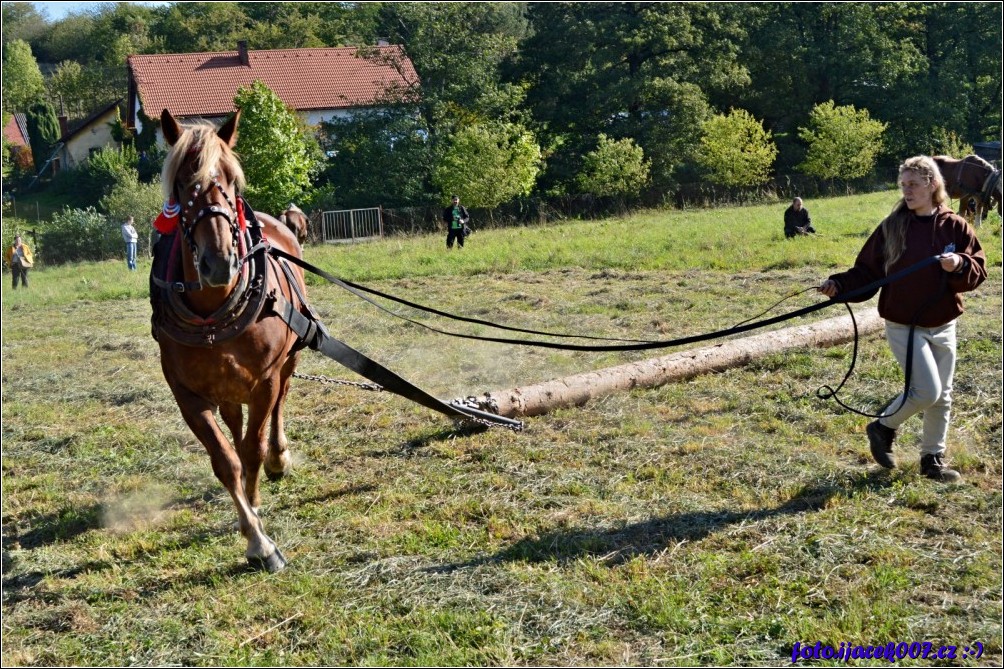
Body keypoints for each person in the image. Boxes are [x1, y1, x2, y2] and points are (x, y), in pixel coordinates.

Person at [818, 156, 987, 483]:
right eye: (903, 185)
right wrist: (839, 284)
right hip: (904, 324)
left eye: (913, 184)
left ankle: (932, 459)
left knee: (944, 394)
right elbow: (867, 271)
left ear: (932, 184)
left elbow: (977, 271)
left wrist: (960, 264)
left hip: (944, 322)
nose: (906, 191)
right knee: (926, 392)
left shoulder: (956, 226)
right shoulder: (893, 226)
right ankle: (882, 427)